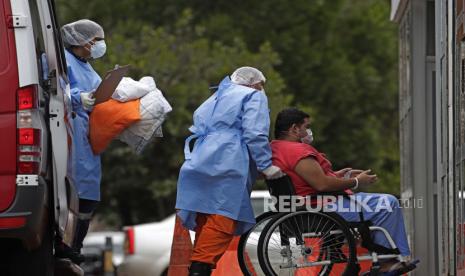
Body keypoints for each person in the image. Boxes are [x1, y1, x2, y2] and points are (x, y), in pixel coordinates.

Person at [270, 107, 418, 275]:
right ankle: (387, 261)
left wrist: (341, 175)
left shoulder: (276, 148)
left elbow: (307, 179)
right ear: (294, 129)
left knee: (379, 204)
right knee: (388, 203)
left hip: (309, 207)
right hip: (319, 209)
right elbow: (322, 184)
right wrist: (356, 181)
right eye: (306, 127)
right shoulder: (297, 151)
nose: (308, 131)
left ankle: (382, 255)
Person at [176, 67, 284, 276]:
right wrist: (265, 165)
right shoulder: (253, 96)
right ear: (254, 84)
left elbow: (198, 121)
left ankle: (198, 267)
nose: (263, 89)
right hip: (229, 160)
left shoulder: (217, 97)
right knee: (223, 217)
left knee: (205, 219)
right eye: (262, 85)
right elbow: (255, 133)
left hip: (200, 158)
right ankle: (199, 269)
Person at [57, 19, 107, 263]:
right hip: (72, 132)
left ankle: (75, 247)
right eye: (95, 41)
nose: (98, 45)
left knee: (88, 194)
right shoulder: (63, 61)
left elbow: (101, 92)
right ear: (79, 41)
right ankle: (66, 247)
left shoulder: (88, 68)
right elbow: (57, 90)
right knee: (74, 193)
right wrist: (79, 98)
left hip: (87, 137)